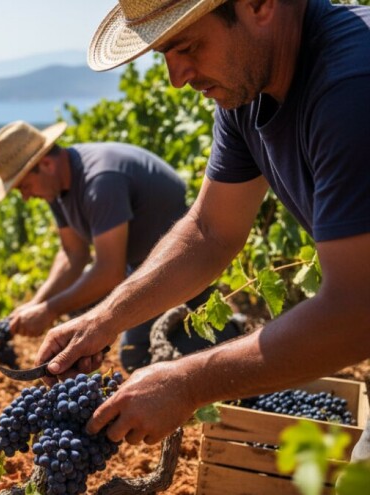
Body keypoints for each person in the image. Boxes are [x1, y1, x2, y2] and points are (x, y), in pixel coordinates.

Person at [38, 0, 370, 455]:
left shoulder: (352, 88)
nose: (177, 79)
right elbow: (210, 231)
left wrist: (187, 384)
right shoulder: (246, 91)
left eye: (189, 46)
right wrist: (102, 320)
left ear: (259, 5)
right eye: (165, 56)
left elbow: (357, 312)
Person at [0, 121, 241, 370]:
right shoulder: (57, 187)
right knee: (117, 334)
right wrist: (38, 303)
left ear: (45, 164)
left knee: (136, 353)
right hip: (143, 264)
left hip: (183, 258)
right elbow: (73, 255)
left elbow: (110, 272)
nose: (26, 197)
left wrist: (50, 310)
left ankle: (233, 340)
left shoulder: (100, 181)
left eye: (24, 186)